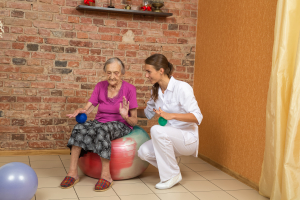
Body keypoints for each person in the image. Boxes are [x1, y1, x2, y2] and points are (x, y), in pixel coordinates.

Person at [60, 57, 138, 192]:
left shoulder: (130, 89)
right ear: (105, 72)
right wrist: (81, 111)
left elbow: (135, 120)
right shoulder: (100, 86)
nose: (112, 76)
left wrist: (125, 116)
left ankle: (106, 176)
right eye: (109, 73)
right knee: (79, 128)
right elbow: (88, 108)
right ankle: (72, 173)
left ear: (122, 73)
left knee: (102, 129)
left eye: (116, 73)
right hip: (100, 122)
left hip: (121, 124)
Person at [137, 54, 203, 190]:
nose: (146, 75)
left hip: (187, 138)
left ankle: (172, 175)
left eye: (149, 71)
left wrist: (171, 116)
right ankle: (172, 165)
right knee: (143, 152)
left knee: (156, 130)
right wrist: (128, 111)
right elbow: (148, 113)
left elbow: (197, 117)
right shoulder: (155, 90)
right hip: (168, 139)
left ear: (161, 70)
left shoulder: (182, 88)